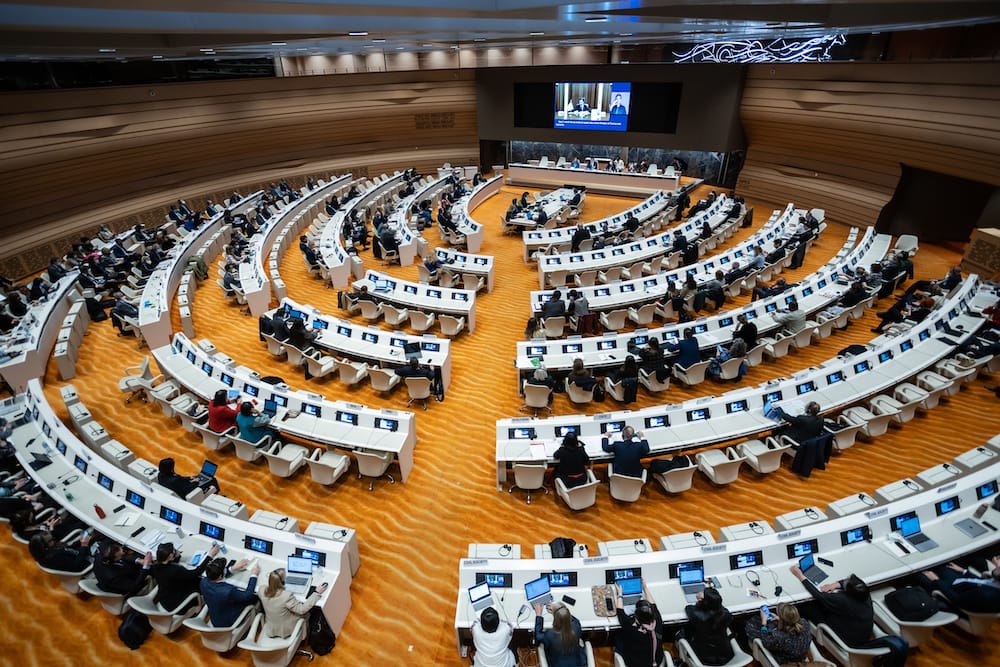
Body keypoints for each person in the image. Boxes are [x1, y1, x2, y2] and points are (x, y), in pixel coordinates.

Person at [151, 541, 220, 613]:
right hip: (177, 605)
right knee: (201, 580)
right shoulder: (175, 571)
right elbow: (196, 572)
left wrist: (176, 555)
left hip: (164, 599)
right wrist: (209, 556)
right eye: (175, 550)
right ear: (170, 556)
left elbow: (170, 563)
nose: (177, 550)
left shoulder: (156, 566)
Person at [259, 567, 328, 638]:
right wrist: (316, 593)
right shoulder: (286, 596)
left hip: (272, 627)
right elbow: (302, 610)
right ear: (282, 582)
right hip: (286, 629)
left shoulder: (261, 590)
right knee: (309, 613)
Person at [614, 578, 666, 667]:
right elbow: (653, 605)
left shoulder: (631, 626)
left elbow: (620, 613)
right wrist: (645, 587)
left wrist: (619, 594)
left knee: (619, 636)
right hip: (656, 661)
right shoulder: (657, 621)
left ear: (636, 615)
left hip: (635, 663)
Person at [201, 556, 260, 628]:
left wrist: (233, 568)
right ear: (220, 576)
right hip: (228, 621)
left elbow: (215, 574)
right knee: (254, 597)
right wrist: (254, 575)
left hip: (215, 616)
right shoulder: (227, 590)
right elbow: (247, 595)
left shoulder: (203, 581)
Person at [919, 561, 1000, 613]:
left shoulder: (986, 595)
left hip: (950, 590)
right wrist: (963, 571)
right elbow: (981, 581)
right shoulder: (996, 581)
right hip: (962, 582)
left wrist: (936, 580)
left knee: (919, 572)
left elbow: (956, 599)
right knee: (940, 564)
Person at [680, 587, 734, 665]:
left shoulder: (697, 614)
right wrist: (711, 600)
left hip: (703, 657)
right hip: (725, 655)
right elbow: (720, 608)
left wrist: (699, 602)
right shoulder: (725, 614)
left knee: (680, 632)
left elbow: (688, 608)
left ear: (705, 602)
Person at [744, 602, 812, 665]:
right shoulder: (805, 623)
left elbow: (765, 641)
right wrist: (780, 619)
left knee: (750, 625)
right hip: (800, 656)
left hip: (786, 661)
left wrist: (764, 623)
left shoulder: (778, 636)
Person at [534, 601, 585, 667]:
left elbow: (538, 636)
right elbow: (570, 618)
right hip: (578, 663)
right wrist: (559, 610)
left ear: (556, 619)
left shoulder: (550, 634)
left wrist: (538, 615)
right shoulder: (576, 625)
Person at [28, 531, 93, 572]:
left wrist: (81, 541)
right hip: (87, 563)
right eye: (51, 541)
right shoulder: (55, 558)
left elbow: (68, 549)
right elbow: (76, 565)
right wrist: (84, 545)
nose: (54, 541)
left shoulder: (48, 553)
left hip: (80, 553)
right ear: (45, 548)